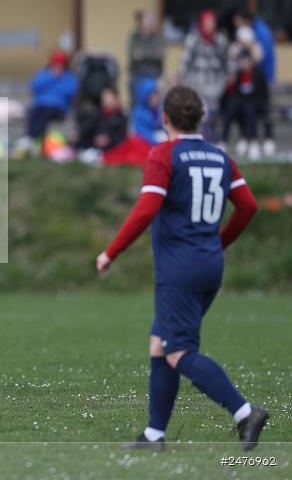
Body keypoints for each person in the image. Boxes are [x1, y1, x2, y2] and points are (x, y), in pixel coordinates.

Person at [96, 86, 268, 451]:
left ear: (166, 118)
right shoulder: (219, 156)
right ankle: (154, 436)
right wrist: (219, 242)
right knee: (160, 344)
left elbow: (146, 209)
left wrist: (112, 251)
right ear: (201, 119)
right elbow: (248, 206)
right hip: (209, 265)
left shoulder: (164, 155)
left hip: (179, 269)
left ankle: (244, 412)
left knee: (178, 352)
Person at [179, 10, 228, 140]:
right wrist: (186, 85)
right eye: (207, 23)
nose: (209, 26)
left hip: (214, 88)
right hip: (195, 87)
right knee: (197, 116)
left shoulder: (220, 41)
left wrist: (222, 83)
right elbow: (184, 65)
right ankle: (197, 143)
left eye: (212, 23)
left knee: (212, 118)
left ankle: (212, 142)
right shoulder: (192, 40)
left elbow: (226, 65)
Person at [234, 10, 276, 157]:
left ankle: (266, 140)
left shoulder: (260, 33)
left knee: (264, 109)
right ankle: (247, 139)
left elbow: (262, 58)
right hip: (253, 82)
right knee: (245, 108)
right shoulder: (255, 31)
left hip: (262, 79)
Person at [17, 50, 78, 151]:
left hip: (58, 109)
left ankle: (30, 138)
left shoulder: (69, 77)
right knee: (35, 112)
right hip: (40, 106)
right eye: (55, 64)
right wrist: (51, 77)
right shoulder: (44, 74)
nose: (58, 67)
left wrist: (58, 80)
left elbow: (71, 92)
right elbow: (34, 86)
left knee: (46, 111)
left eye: (60, 64)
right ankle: (30, 139)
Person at [220, 49, 268, 160]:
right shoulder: (236, 75)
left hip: (255, 105)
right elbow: (227, 97)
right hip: (238, 105)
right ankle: (223, 141)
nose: (244, 64)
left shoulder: (259, 74)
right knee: (230, 108)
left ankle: (253, 142)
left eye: (246, 61)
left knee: (250, 108)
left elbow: (263, 95)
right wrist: (230, 84)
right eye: (242, 61)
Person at [128, 11, 165, 102]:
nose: (151, 25)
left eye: (153, 22)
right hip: (137, 74)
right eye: (148, 22)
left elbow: (160, 56)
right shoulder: (134, 37)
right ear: (142, 24)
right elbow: (133, 55)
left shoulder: (159, 37)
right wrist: (152, 54)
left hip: (154, 75)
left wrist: (142, 54)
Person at [132, 78, 163, 146]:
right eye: (152, 96)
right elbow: (142, 134)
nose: (155, 99)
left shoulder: (159, 109)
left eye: (156, 95)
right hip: (146, 147)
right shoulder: (139, 113)